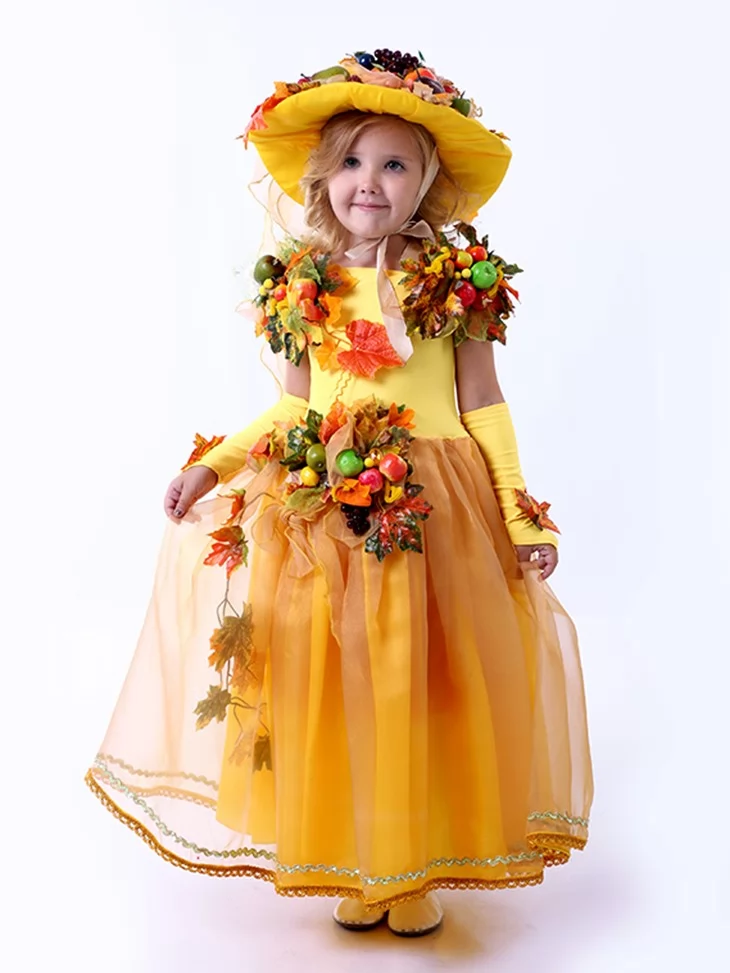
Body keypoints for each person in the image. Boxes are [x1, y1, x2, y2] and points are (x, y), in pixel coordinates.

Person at [87, 50, 593, 938]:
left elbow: (483, 401)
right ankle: (361, 861)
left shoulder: (452, 283)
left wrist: (520, 513)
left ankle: (413, 866)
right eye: (353, 160)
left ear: (427, 182)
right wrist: (216, 465)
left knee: (425, 683)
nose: (371, 181)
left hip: (434, 513)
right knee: (336, 683)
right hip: (324, 513)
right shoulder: (303, 285)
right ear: (322, 177)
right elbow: (295, 407)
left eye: (395, 163)